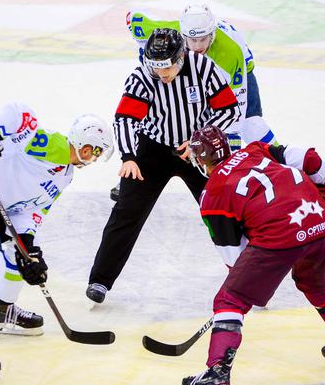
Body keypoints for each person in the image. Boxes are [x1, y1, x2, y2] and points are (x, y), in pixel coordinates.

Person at [181, 125, 325, 385]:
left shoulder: (212, 194)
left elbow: (235, 258)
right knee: (319, 286)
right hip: (321, 221)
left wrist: (247, 290)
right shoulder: (256, 149)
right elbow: (307, 157)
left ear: (200, 159)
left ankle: (217, 372)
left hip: (280, 234)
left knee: (230, 298)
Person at [85, 28, 240, 304]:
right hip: (152, 149)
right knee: (126, 213)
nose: (163, 76)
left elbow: (229, 109)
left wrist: (200, 138)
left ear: (181, 57)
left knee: (223, 209)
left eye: (167, 68)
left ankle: (246, 276)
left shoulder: (203, 67)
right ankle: (100, 280)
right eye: (157, 69)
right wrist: (129, 157)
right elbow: (124, 119)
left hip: (196, 150)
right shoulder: (142, 76)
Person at [0, 103, 113, 343]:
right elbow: (17, 112)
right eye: (95, 151)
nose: (93, 159)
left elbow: (33, 210)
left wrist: (27, 244)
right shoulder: (54, 147)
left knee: (24, 252)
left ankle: (3, 310)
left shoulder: (66, 175)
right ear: (83, 143)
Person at [109, 4, 278, 202]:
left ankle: (283, 165)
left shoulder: (231, 54)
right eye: (192, 40)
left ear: (212, 34)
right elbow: (134, 18)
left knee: (252, 126)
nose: (198, 46)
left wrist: (227, 162)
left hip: (233, 76)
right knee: (154, 112)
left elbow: (234, 114)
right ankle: (137, 173)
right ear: (182, 34)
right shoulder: (167, 35)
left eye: (203, 39)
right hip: (194, 73)